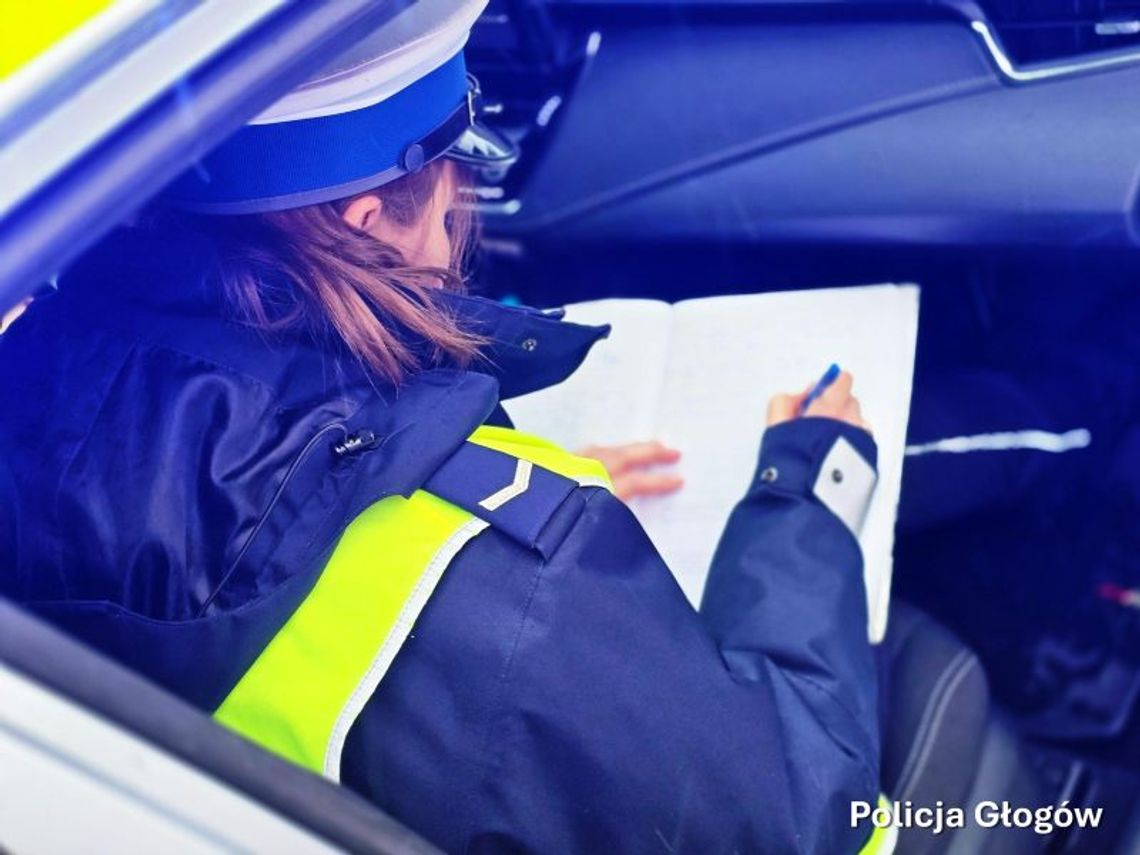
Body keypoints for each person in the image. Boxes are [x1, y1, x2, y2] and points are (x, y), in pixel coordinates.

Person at [0, 2, 888, 851]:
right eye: (453, 174)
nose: (462, 206)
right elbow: (795, 817)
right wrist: (806, 497)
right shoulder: (517, 594)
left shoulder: (26, 383)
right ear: (364, 222)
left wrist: (457, 493)